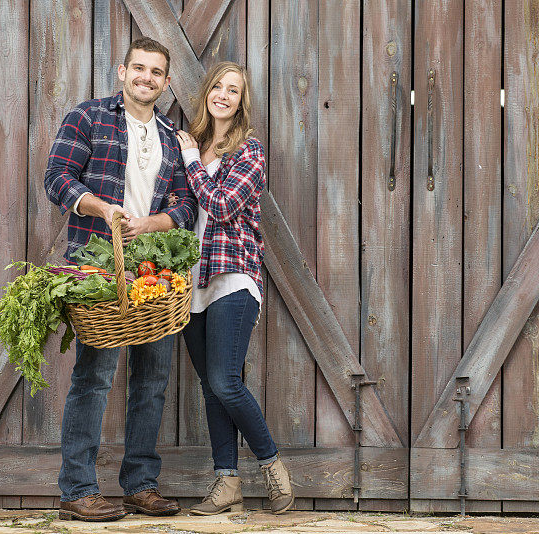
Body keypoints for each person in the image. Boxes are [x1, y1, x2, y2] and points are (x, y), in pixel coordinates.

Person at [44, 37, 197, 522]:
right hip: (98, 266)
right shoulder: (87, 118)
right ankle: (77, 490)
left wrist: (146, 225)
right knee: (94, 377)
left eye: (156, 72)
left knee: (153, 378)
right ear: (121, 71)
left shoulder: (173, 136)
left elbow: (187, 205)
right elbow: (57, 177)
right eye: (139, 68)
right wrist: (103, 208)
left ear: (166, 82)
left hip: (155, 273)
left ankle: (140, 485)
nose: (146, 78)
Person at [173, 61, 294, 515]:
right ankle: (227, 482)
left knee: (225, 381)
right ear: (207, 93)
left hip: (233, 276)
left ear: (242, 101)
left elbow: (222, 207)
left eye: (234, 90)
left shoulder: (250, 151)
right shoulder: (193, 145)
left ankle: (272, 464)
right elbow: (178, 207)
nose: (223, 95)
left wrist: (190, 163)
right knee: (210, 386)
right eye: (218, 87)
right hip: (190, 283)